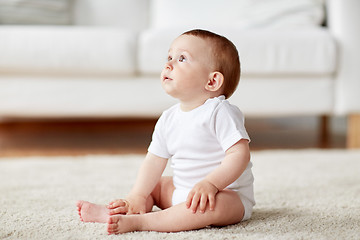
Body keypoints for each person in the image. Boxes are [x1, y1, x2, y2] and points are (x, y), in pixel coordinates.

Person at [76, 29, 255, 235]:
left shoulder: (219, 111)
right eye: (169, 57)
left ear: (212, 81)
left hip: (224, 194)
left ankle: (143, 222)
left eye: (182, 58)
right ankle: (120, 212)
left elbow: (239, 154)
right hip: (182, 191)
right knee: (154, 185)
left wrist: (211, 184)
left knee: (216, 206)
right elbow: (154, 161)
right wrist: (138, 195)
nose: (168, 64)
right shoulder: (168, 118)